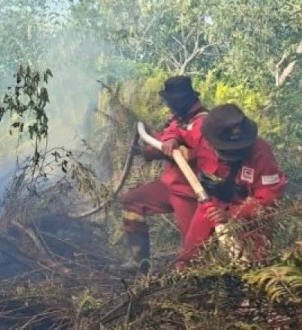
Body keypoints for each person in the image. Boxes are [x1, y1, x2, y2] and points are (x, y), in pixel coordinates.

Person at [170, 103, 287, 267]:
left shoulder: (261, 154)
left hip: (247, 212)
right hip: (211, 203)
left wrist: (233, 214)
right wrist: (171, 139)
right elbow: (177, 130)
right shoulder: (203, 135)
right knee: (190, 256)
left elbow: (268, 200)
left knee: (255, 265)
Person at [118, 76, 208, 274]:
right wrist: (147, 150)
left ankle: (200, 281)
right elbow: (167, 140)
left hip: (190, 192)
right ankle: (140, 262)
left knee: (195, 246)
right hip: (170, 185)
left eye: (172, 102)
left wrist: (175, 149)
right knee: (132, 201)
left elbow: (200, 154)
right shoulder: (179, 119)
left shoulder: (202, 122)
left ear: (183, 99)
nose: (170, 106)